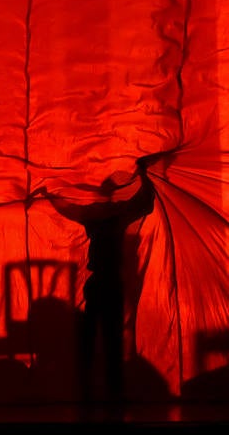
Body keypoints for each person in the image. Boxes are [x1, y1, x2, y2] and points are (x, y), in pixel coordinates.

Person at [36, 155, 156, 408]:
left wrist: (146, 175)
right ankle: (96, 389)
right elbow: (143, 203)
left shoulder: (108, 215)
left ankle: (99, 389)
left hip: (107, 282)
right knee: (101, 336)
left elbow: (143, 204)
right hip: (105, 282)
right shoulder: (107, 215)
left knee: (101, 336)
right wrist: (49, 196)